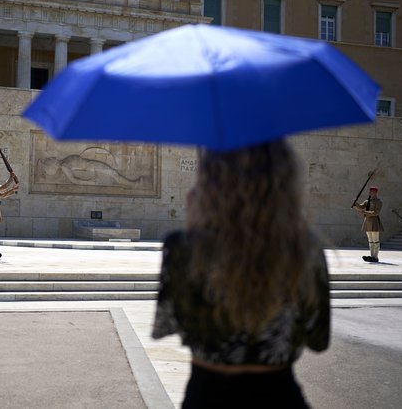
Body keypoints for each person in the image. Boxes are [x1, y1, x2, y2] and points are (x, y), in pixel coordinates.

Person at [152, 140, 331, 408]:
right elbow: (318, 340)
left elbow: (171, 325)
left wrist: (193, 232)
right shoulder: (305, 249)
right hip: (280, 397)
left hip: (207, 397)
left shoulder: (182, 248)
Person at [352, 185, 384, 262]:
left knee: (375, 241)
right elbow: (361, 207)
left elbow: (375, 213)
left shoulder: (379, 202)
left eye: (373, 192)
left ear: (376, 193)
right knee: (370, 240)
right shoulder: (367, 201)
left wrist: (364, 212)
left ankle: (375, 257)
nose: (372, 193)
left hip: (374, 222)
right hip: (367, 222)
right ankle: (372, 256)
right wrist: (355, 203)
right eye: (371, 192)